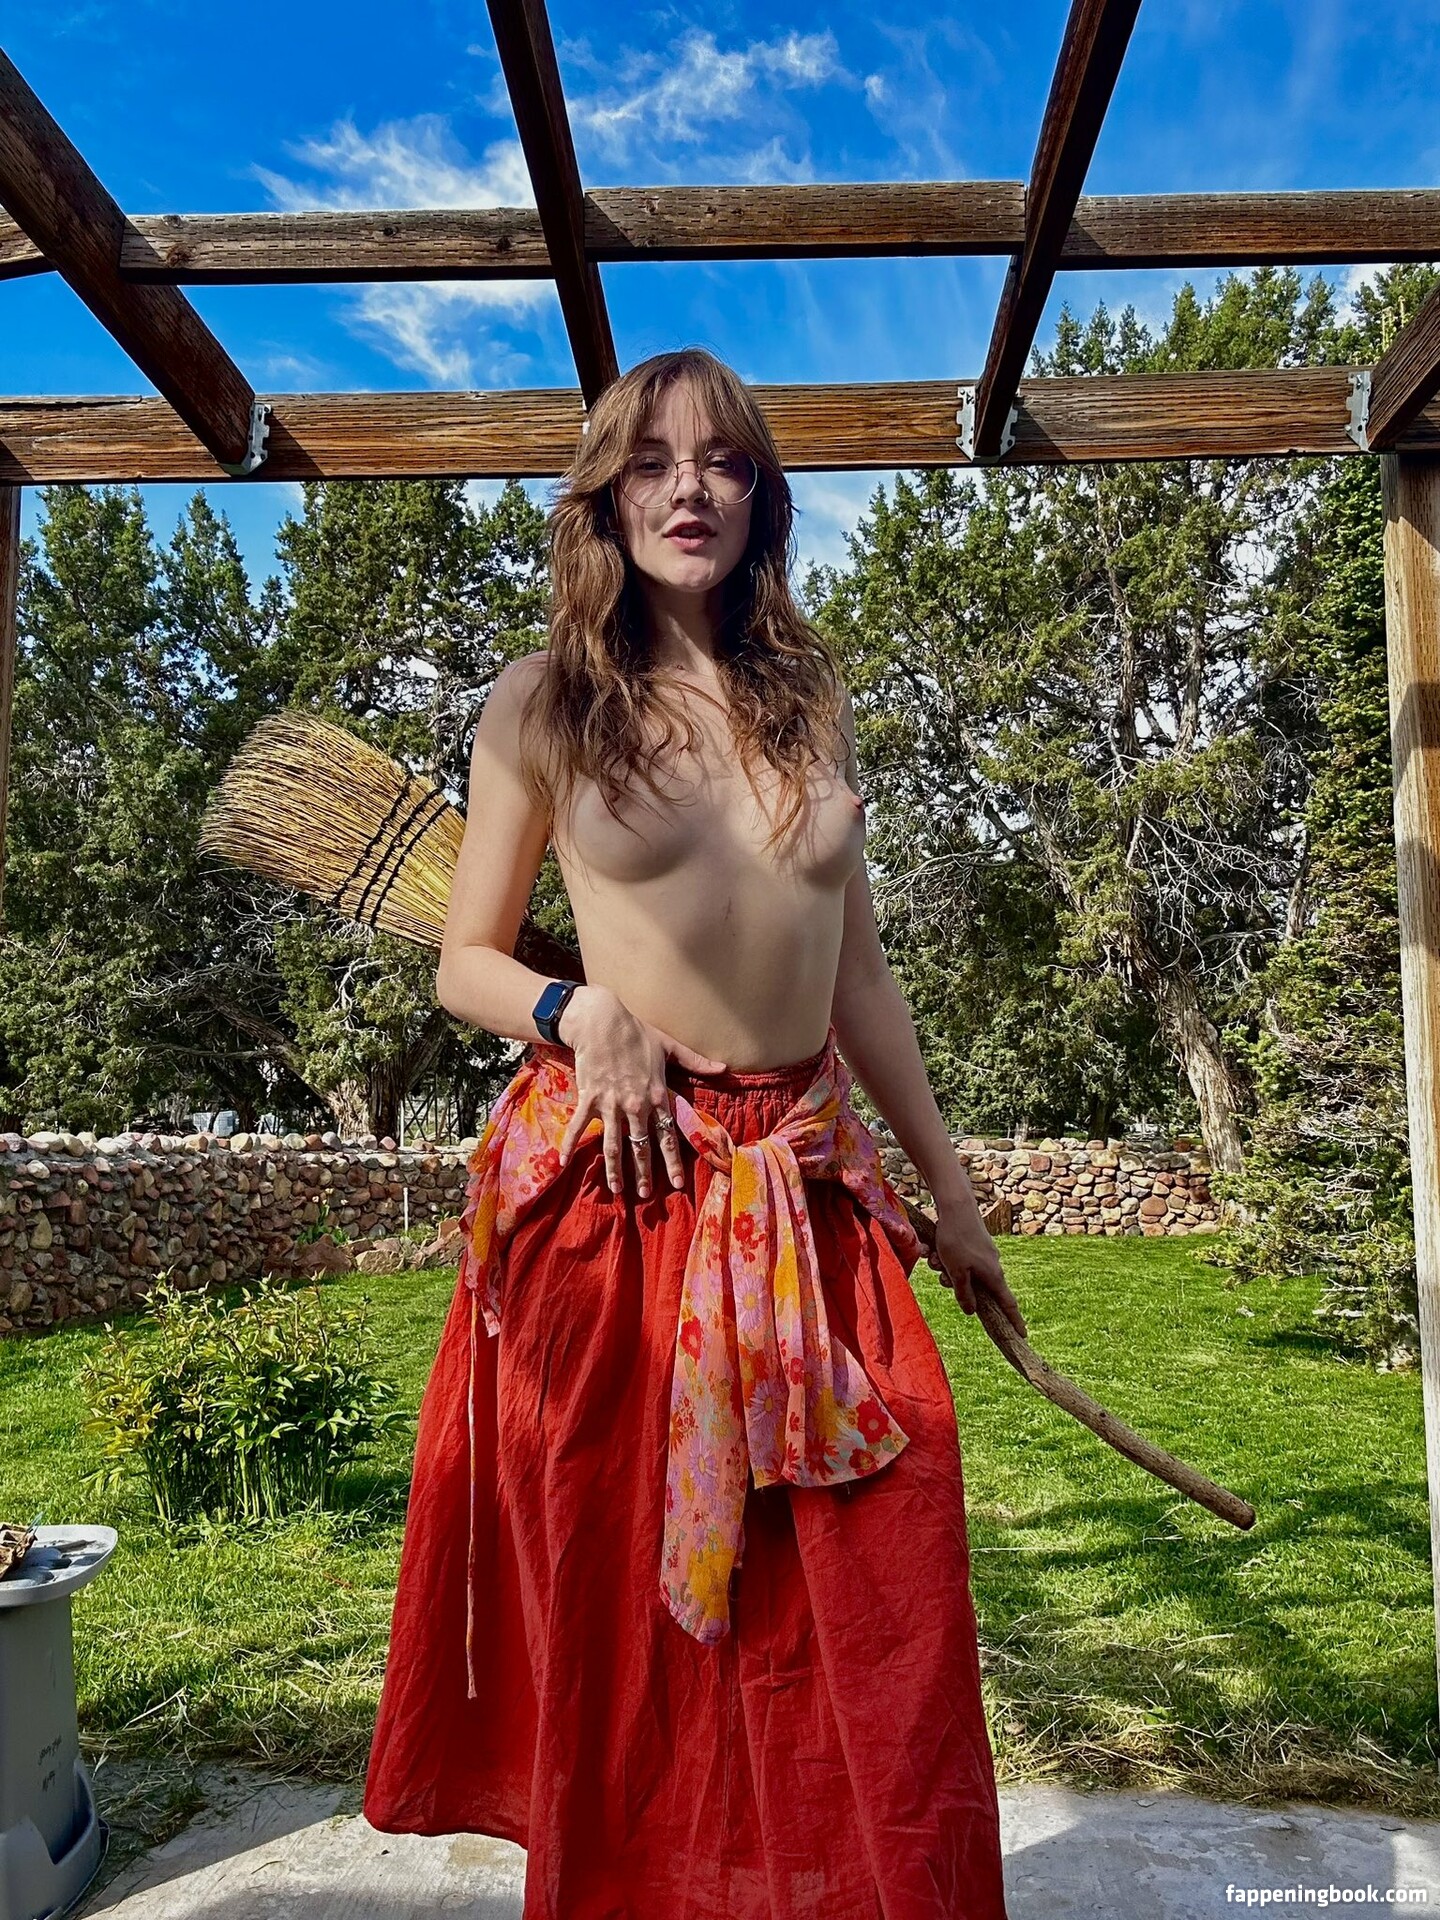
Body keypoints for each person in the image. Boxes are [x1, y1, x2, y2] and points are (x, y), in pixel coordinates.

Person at [363, 345, 1026, 1918]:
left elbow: (858, 975)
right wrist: (574, 1011)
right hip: (625, 1199)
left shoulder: (812, 701)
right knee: (633, 1642)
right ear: (605, 498)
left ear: (761, 498)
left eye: (724, 462)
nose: (689, 490)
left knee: (884, 1588)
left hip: (807, 1194)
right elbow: (467, 959)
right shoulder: (543, 703)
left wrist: (953, 1194)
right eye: (653, 462)